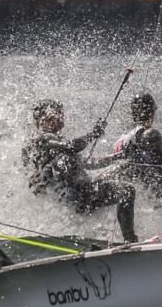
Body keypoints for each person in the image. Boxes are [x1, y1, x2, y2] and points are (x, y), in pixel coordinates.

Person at [22, 99, 138, 243]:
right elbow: (71, 146)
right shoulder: (39, 139)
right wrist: (93, 134)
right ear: (40, 121)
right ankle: (130, 240)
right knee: (126, 191)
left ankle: (124, 240)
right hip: (75, 197)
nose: (59, 119)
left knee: (123, 168)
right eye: (53, 117)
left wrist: (118, 156)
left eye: (60, 114)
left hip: (81, 192)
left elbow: (87, 163)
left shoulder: (57, 141)